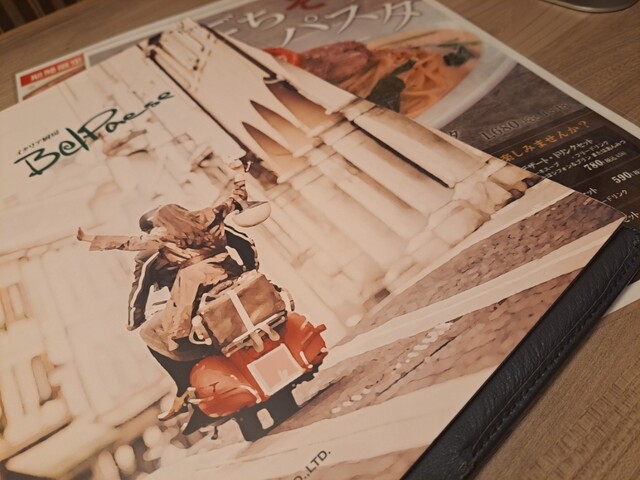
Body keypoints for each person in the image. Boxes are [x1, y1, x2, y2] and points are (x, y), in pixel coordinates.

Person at [78, 160, 255, 419]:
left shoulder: (158, 242)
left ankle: (189, 380)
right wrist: (239, 174)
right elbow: (235, 204)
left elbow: (131, 249)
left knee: (156, 332)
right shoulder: (208, 217)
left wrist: (91, 238)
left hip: (198, 294)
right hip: (232, 276)